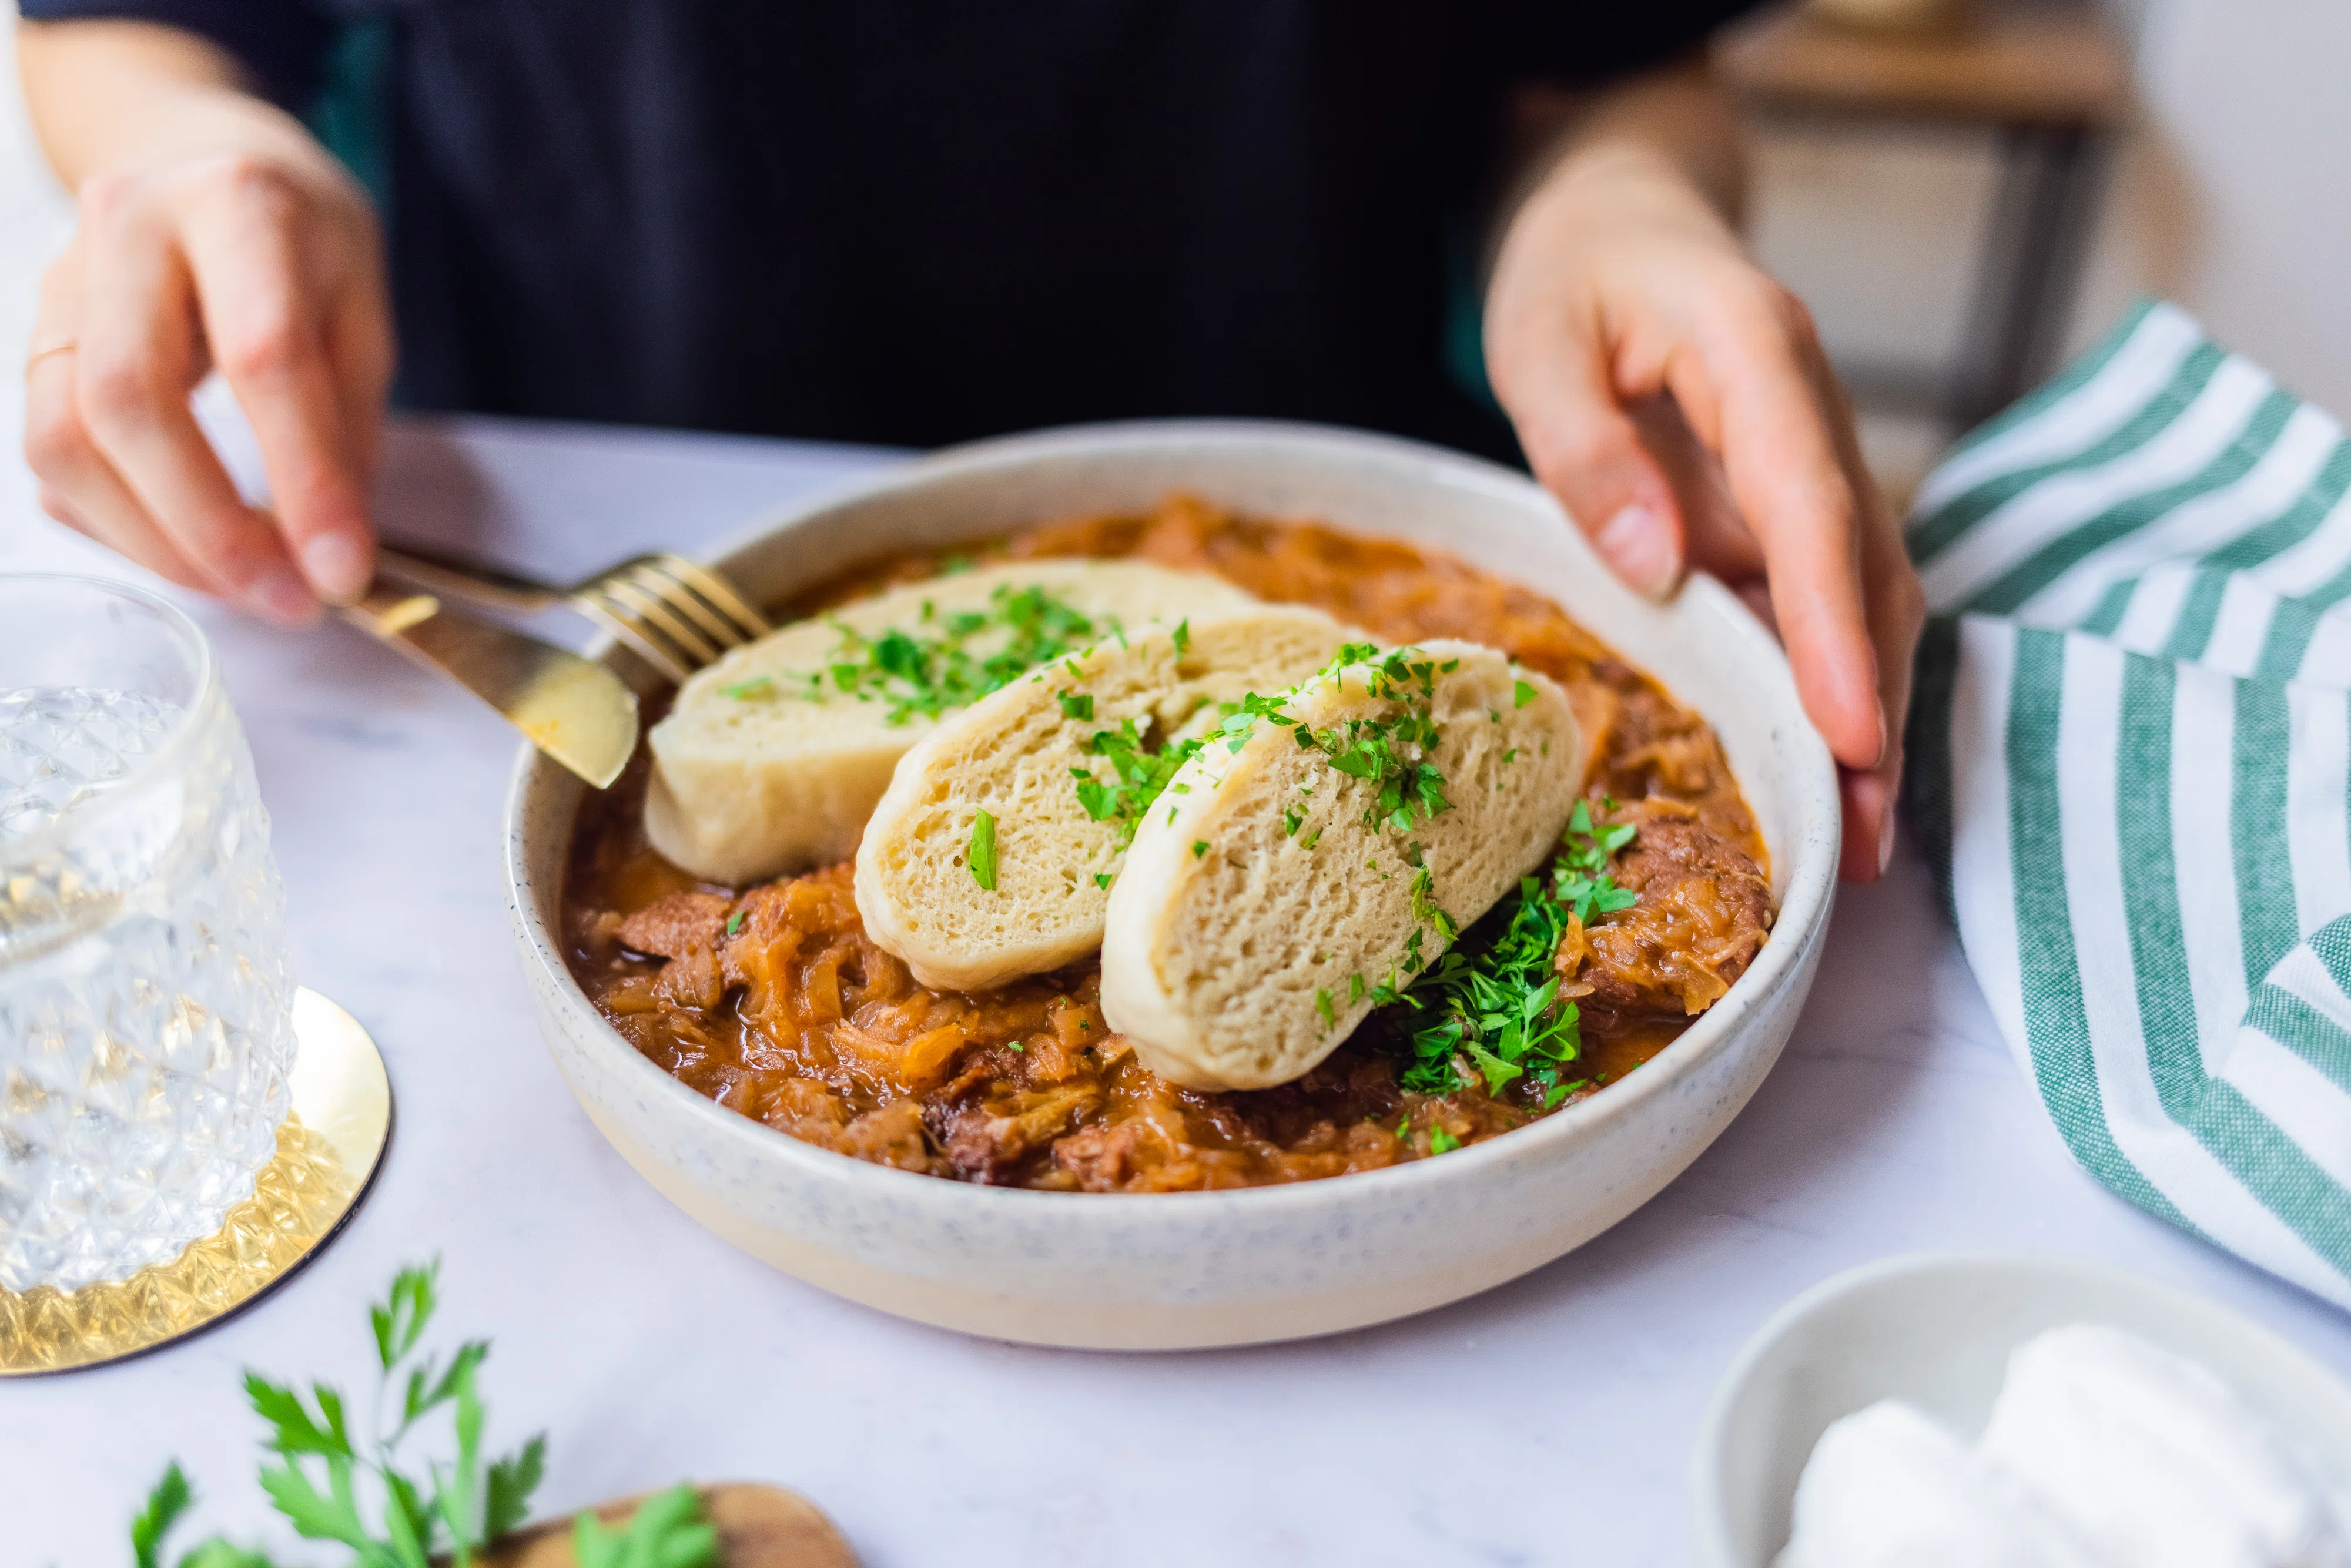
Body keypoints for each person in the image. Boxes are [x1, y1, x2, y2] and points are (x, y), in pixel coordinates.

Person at [14, 3, 1921, 883]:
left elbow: (1610, 69)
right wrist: (197, 153)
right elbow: (127, 27)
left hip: (1338, 502)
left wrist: (1622, 211)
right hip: (565, 553)